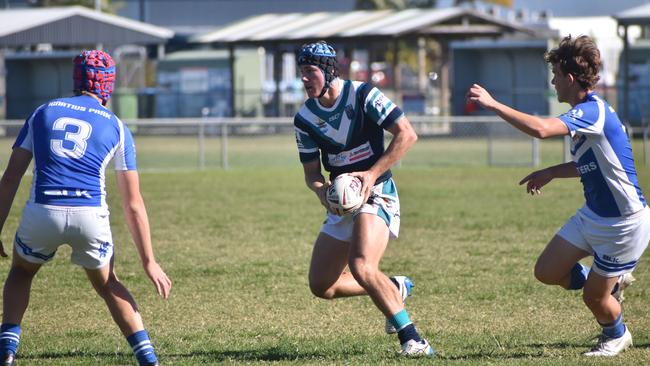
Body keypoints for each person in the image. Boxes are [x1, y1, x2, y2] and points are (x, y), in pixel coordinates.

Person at [467, 35, 649, 356]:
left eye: (555, 76)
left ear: (569, 78)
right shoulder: (585, 114)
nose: (552, 82)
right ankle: (613, 283)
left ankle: (616, 333)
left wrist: (494, 104)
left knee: (593, 299)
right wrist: (551, 171)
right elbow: (589, 164)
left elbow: (540, 128)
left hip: (624, 224)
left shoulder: (593, 111)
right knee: (546, 272)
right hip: (594, 215)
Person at [0, 50, 172, 366]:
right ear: (108, 85)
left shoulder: (43, 112)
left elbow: (10, 177)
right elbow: (133, 204)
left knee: (21, 273)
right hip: (90, 215)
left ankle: (7, 352)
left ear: (75, 78)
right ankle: (148, 359)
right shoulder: (117, 127)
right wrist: (150, 261)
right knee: (108, 284)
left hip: (44, 210)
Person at [293, 41, 433, 357]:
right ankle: (394, 288)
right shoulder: (304, 119)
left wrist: (370, 175)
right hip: (342, 200)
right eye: (301, 72)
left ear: (328, 71)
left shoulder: (363, 95)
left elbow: (407, 134)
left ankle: (413, 340)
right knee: (322, 285)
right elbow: (312, 173)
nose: (304, 79)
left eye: (310, 71)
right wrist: (321, 192)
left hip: (377, 191)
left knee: (361, 265)